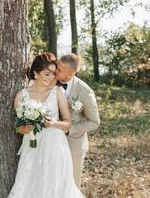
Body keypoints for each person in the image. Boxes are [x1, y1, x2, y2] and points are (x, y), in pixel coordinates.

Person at [8, 52, 84, 198]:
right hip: (32, 146)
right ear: (36, 74)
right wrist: (26, 128)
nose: (51, 78)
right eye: (47, 74)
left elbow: (68, 123)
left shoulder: (57, 92)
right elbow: (18, 127)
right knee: (30, 184)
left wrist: (54, 123)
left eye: (53, 74)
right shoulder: (21, 95)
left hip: (55, 145)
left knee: (54, 186)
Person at [55, 53, 100, 189]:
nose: (55, 71)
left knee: (72, 184)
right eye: (57, 67)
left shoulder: (85, 92)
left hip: (74, 143)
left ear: (71, 73)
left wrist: (70, 129)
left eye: (60, 70)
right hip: (51, 141)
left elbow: (94, 122)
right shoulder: (49, 80)